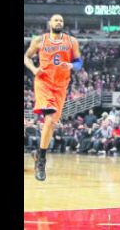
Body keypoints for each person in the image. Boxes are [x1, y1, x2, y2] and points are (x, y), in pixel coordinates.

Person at [23, 14, 84, 181]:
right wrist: (34, 70)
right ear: (50, 23)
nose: (59, 22)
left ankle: (38, 153)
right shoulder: (39, 40)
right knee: (49, 120)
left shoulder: (71, 41)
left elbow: (79, 63)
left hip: (61, 86)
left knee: (52, 123)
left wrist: (71, 65)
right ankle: (41, 160)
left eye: (61, 20)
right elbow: (26, 57)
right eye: (56, 20)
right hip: (43, 82)